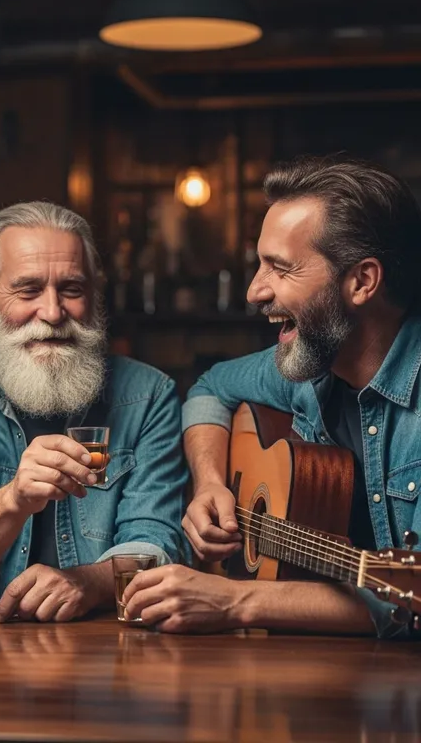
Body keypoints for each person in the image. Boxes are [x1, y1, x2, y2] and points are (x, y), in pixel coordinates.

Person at [121, 155, 421, 638]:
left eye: (280, 269)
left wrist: (236, 600)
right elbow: (209, 388)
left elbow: (408, 603)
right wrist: (211, 484)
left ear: (362, 282)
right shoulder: (311, 363)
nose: (254, 292)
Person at [0, 201, 188, 622]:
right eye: (28, 290)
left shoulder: (148, 397)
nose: (53, 314)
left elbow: (155, 547)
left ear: (93, 298)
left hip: (110, 654)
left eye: (71, 289)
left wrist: (88, 584)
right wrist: (13, 501)